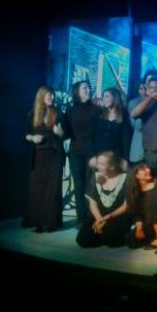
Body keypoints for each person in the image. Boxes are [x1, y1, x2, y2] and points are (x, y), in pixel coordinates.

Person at [22, 86, 65, 232]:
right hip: (39, 156)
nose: (52, 97)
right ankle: (38, 223)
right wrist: (32, 138)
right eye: (49, 95)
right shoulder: (33, 114)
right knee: (38, 189)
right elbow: (25, 134)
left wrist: (60, 132)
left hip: (55, 155)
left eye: (52, 95)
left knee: (53, 189)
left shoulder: (58, 113)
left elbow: (65, 134)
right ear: (41, 97)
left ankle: (52, 222)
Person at [62, 80, 99, 226]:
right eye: (85, 88)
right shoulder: (70, 111)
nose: (88, 89)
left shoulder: (96, 110)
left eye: (89, 87)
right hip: (76, 151)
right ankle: (81, 218)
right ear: (77, 91)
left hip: (92, 151)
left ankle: (91, 216)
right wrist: (60, 132)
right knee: (78, 184)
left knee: (91, 184)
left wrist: (97, 154)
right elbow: (66, 133)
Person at [76, 151, 129, 248]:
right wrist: (99, 219)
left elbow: (126, 206)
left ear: (112, 166)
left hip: (117, 216)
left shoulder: (125, 178)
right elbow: (93, 203)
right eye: (98, 163)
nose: (98, 167)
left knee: (112, 240)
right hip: (100, 215)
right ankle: (102, 234)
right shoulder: (96, 176)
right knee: (83, 239)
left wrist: (107, 218)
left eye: (102, 164)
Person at [125, 163, 157, 251]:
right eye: (143, 169)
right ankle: (154, 237)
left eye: (148, 168)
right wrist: (139, 227)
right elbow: (136, 212)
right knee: (131, 240)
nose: (148, 170)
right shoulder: (134, 191)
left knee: (151, 203)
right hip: (148, 221)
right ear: (136, 175)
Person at [92, 87, 131, 162]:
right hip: (100, 156)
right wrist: (93, 155)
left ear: (115, 98)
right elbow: (92, 136)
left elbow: (125, 139)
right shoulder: (99, 114)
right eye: (103, 97)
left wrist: (125, 159)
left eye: (107, 96)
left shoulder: (123, 115)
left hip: (116, 157)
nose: (104, 99)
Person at [127, 82, 147, 165]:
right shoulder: (133, 103)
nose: (144, 91)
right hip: (139, 142)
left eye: (145, 88)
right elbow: (135, 125)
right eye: (141, 89)